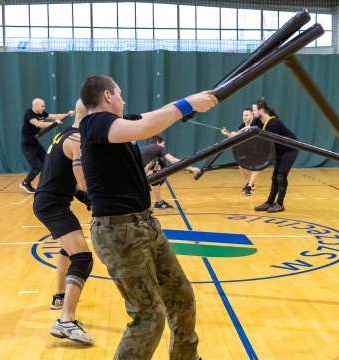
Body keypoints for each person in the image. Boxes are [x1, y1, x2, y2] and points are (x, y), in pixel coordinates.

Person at [78, 75, 216, 360]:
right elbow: (144, 128)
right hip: (120, 233)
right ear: (107, 96)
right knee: (149, 317)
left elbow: (151, 116)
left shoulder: (117, 124)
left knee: (181, 298)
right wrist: (188, 103)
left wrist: (191, 104)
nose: (123, 100)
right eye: (120, 94)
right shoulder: (94, 124)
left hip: (145, 225)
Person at [32, 99, 94, 344]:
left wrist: (85, 199)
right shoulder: (78, 140)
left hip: (50, 201)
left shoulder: (62, 135)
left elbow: (63, 177)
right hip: (52, 205)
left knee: (68, 250)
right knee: (83, 258)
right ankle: (66, 321)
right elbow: (83, 183)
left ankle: (59, 297)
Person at [252, 100, 299, 213]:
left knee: (281, 176)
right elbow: (248, 130)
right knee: (274, 177)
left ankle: (280, 204)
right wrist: (236, 134)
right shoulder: (257, 121)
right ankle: (269, 202)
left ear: (261, 110)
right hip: (279, 151)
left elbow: (263, 142)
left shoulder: (273, 123)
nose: (253, 113)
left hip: (289, 150)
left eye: (254, 110)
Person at [20, 98, 74, 193]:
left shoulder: (41, 113)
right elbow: (38, 124)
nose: (43, 108)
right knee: (38, 167)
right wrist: (54, 123)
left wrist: (68, 114)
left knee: (47, 161)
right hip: (27, 145)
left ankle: (47, 183)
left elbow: (55, 116)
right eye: (42, 106)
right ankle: (25, 183)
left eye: (44, 106)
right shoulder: (29, 113)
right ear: (36, 105)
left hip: (34, 142)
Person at [141, 135, 200, 209]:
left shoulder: (147, 150)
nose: (163, 146)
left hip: (132, 173)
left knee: (152, 173)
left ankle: (159, 203)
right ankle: (157, 202)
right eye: (163, 144)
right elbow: (174, 161)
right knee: (154, 175)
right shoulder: (159, 148)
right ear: (158, 143)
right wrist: (191, 168)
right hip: (136, 176)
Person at [221, 107, 263, 196]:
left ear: (252, 115)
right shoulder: (243, 125)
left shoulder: (257, 124)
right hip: (248, 150)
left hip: (260, 150)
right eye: (243, 115)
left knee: (256, 166)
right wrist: (227, 133)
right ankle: (250, 184)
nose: (244, 117)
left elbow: (249, 132)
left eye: (247, 115)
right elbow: (236, 137)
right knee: (241, 166)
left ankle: (249, 187)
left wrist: (236, 134)